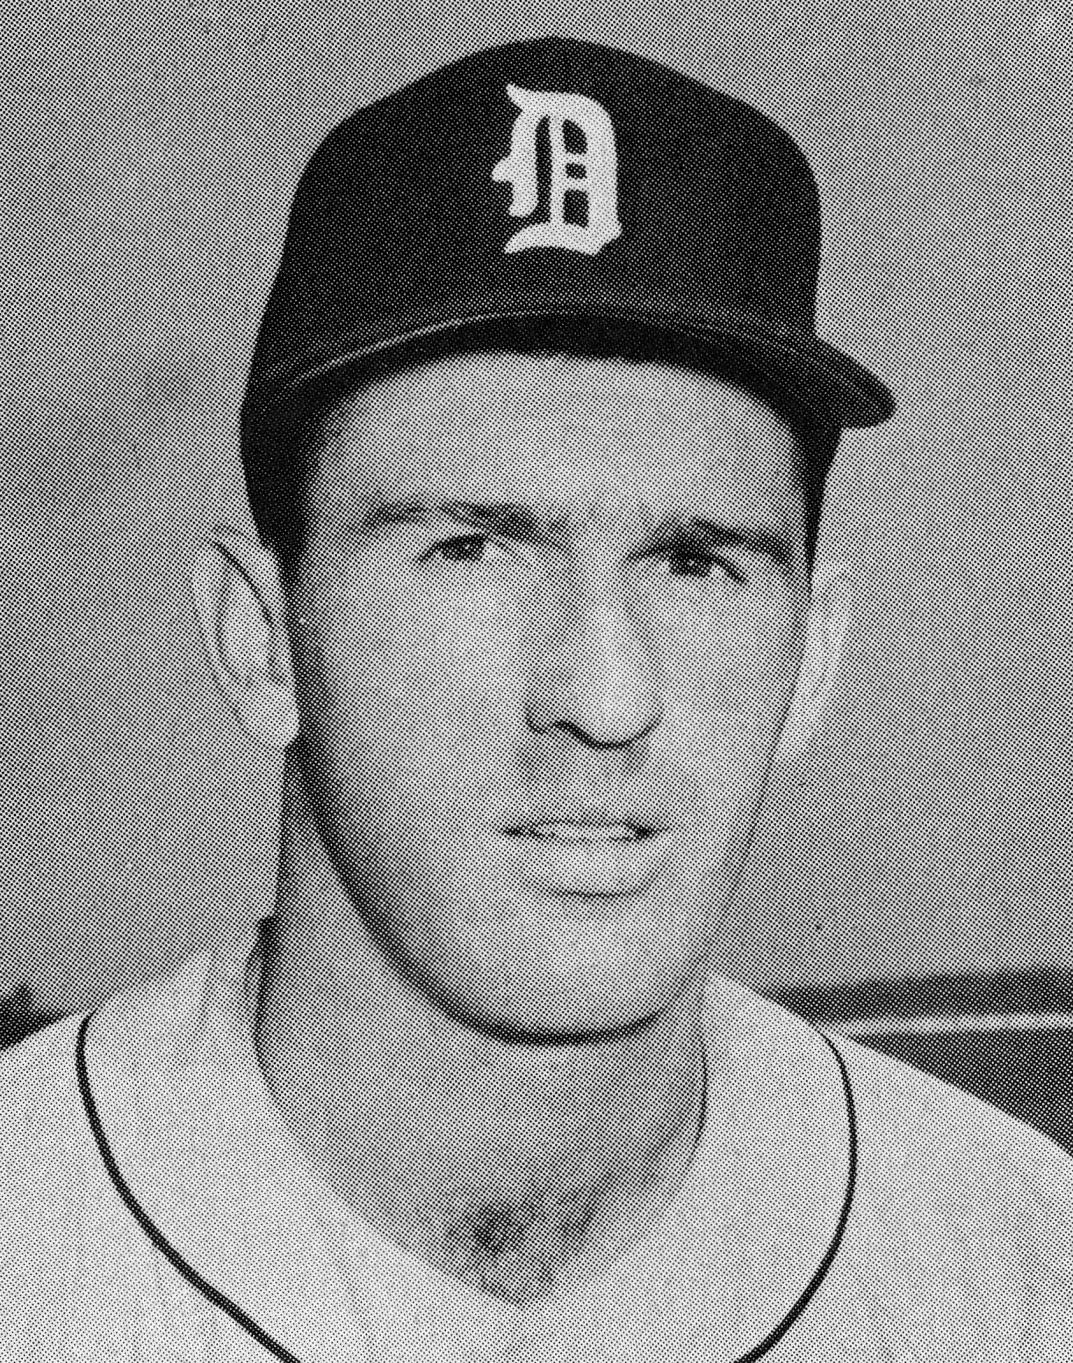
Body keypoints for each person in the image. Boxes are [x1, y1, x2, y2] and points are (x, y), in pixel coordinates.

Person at [1, 35, 1070, 1363]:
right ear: (262, 640)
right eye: (471, 550)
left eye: (695, 563)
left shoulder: (1021, 1276)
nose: (604, 696)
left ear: (811, 656)